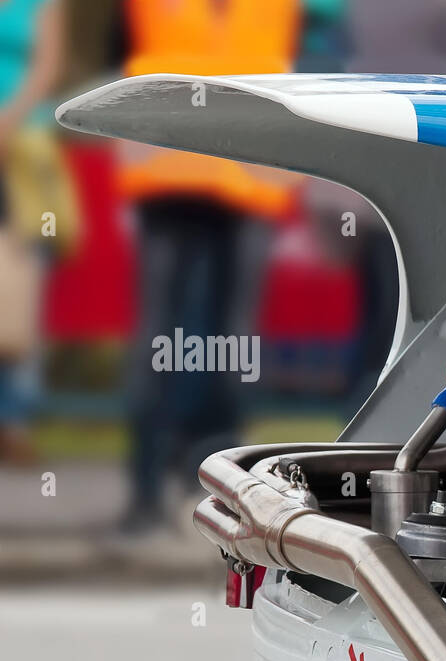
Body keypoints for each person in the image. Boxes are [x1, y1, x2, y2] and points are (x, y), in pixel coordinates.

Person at [117, 0, 300, 532]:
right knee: (181, 338)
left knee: (222, 341)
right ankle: (158, 492)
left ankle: (207, 490)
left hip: (236, 169)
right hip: (181, 166)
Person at [0, 0, 64, 465]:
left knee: (21, 289)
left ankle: (14, 421)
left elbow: (48, 66)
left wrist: (9, 121)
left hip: (22, 152)